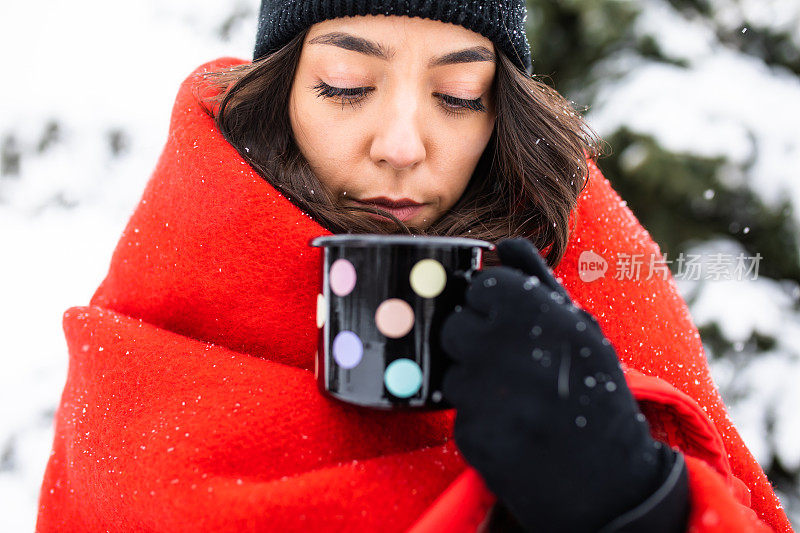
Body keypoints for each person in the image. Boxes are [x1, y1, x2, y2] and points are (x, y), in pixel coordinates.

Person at [35, 1, 793, 532]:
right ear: (282, 92)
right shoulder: (168, 309)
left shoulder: (588, 273)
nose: (402, 144)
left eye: (460, 94)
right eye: (346, 86)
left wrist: (635, 500)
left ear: (502, 111)